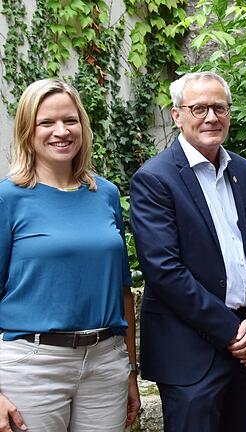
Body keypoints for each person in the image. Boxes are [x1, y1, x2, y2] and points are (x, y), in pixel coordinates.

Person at [130, 71, 246, 431]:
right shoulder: (155, 178)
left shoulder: (241, 170)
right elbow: (165, 272)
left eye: (219, 107)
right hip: (190, 355)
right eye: (199, 108)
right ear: (177, 115)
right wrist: (232, 331)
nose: (211, 117)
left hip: (244, 347)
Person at [0, 78, 139, 431]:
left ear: (83, 126)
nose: (61, 131)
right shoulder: (8, 198)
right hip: (32, 365)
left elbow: (123, 292)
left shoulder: (105, 193)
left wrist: (130, 372)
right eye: (47, 122)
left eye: (70, 120)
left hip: (105, 363)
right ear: (27, 131)